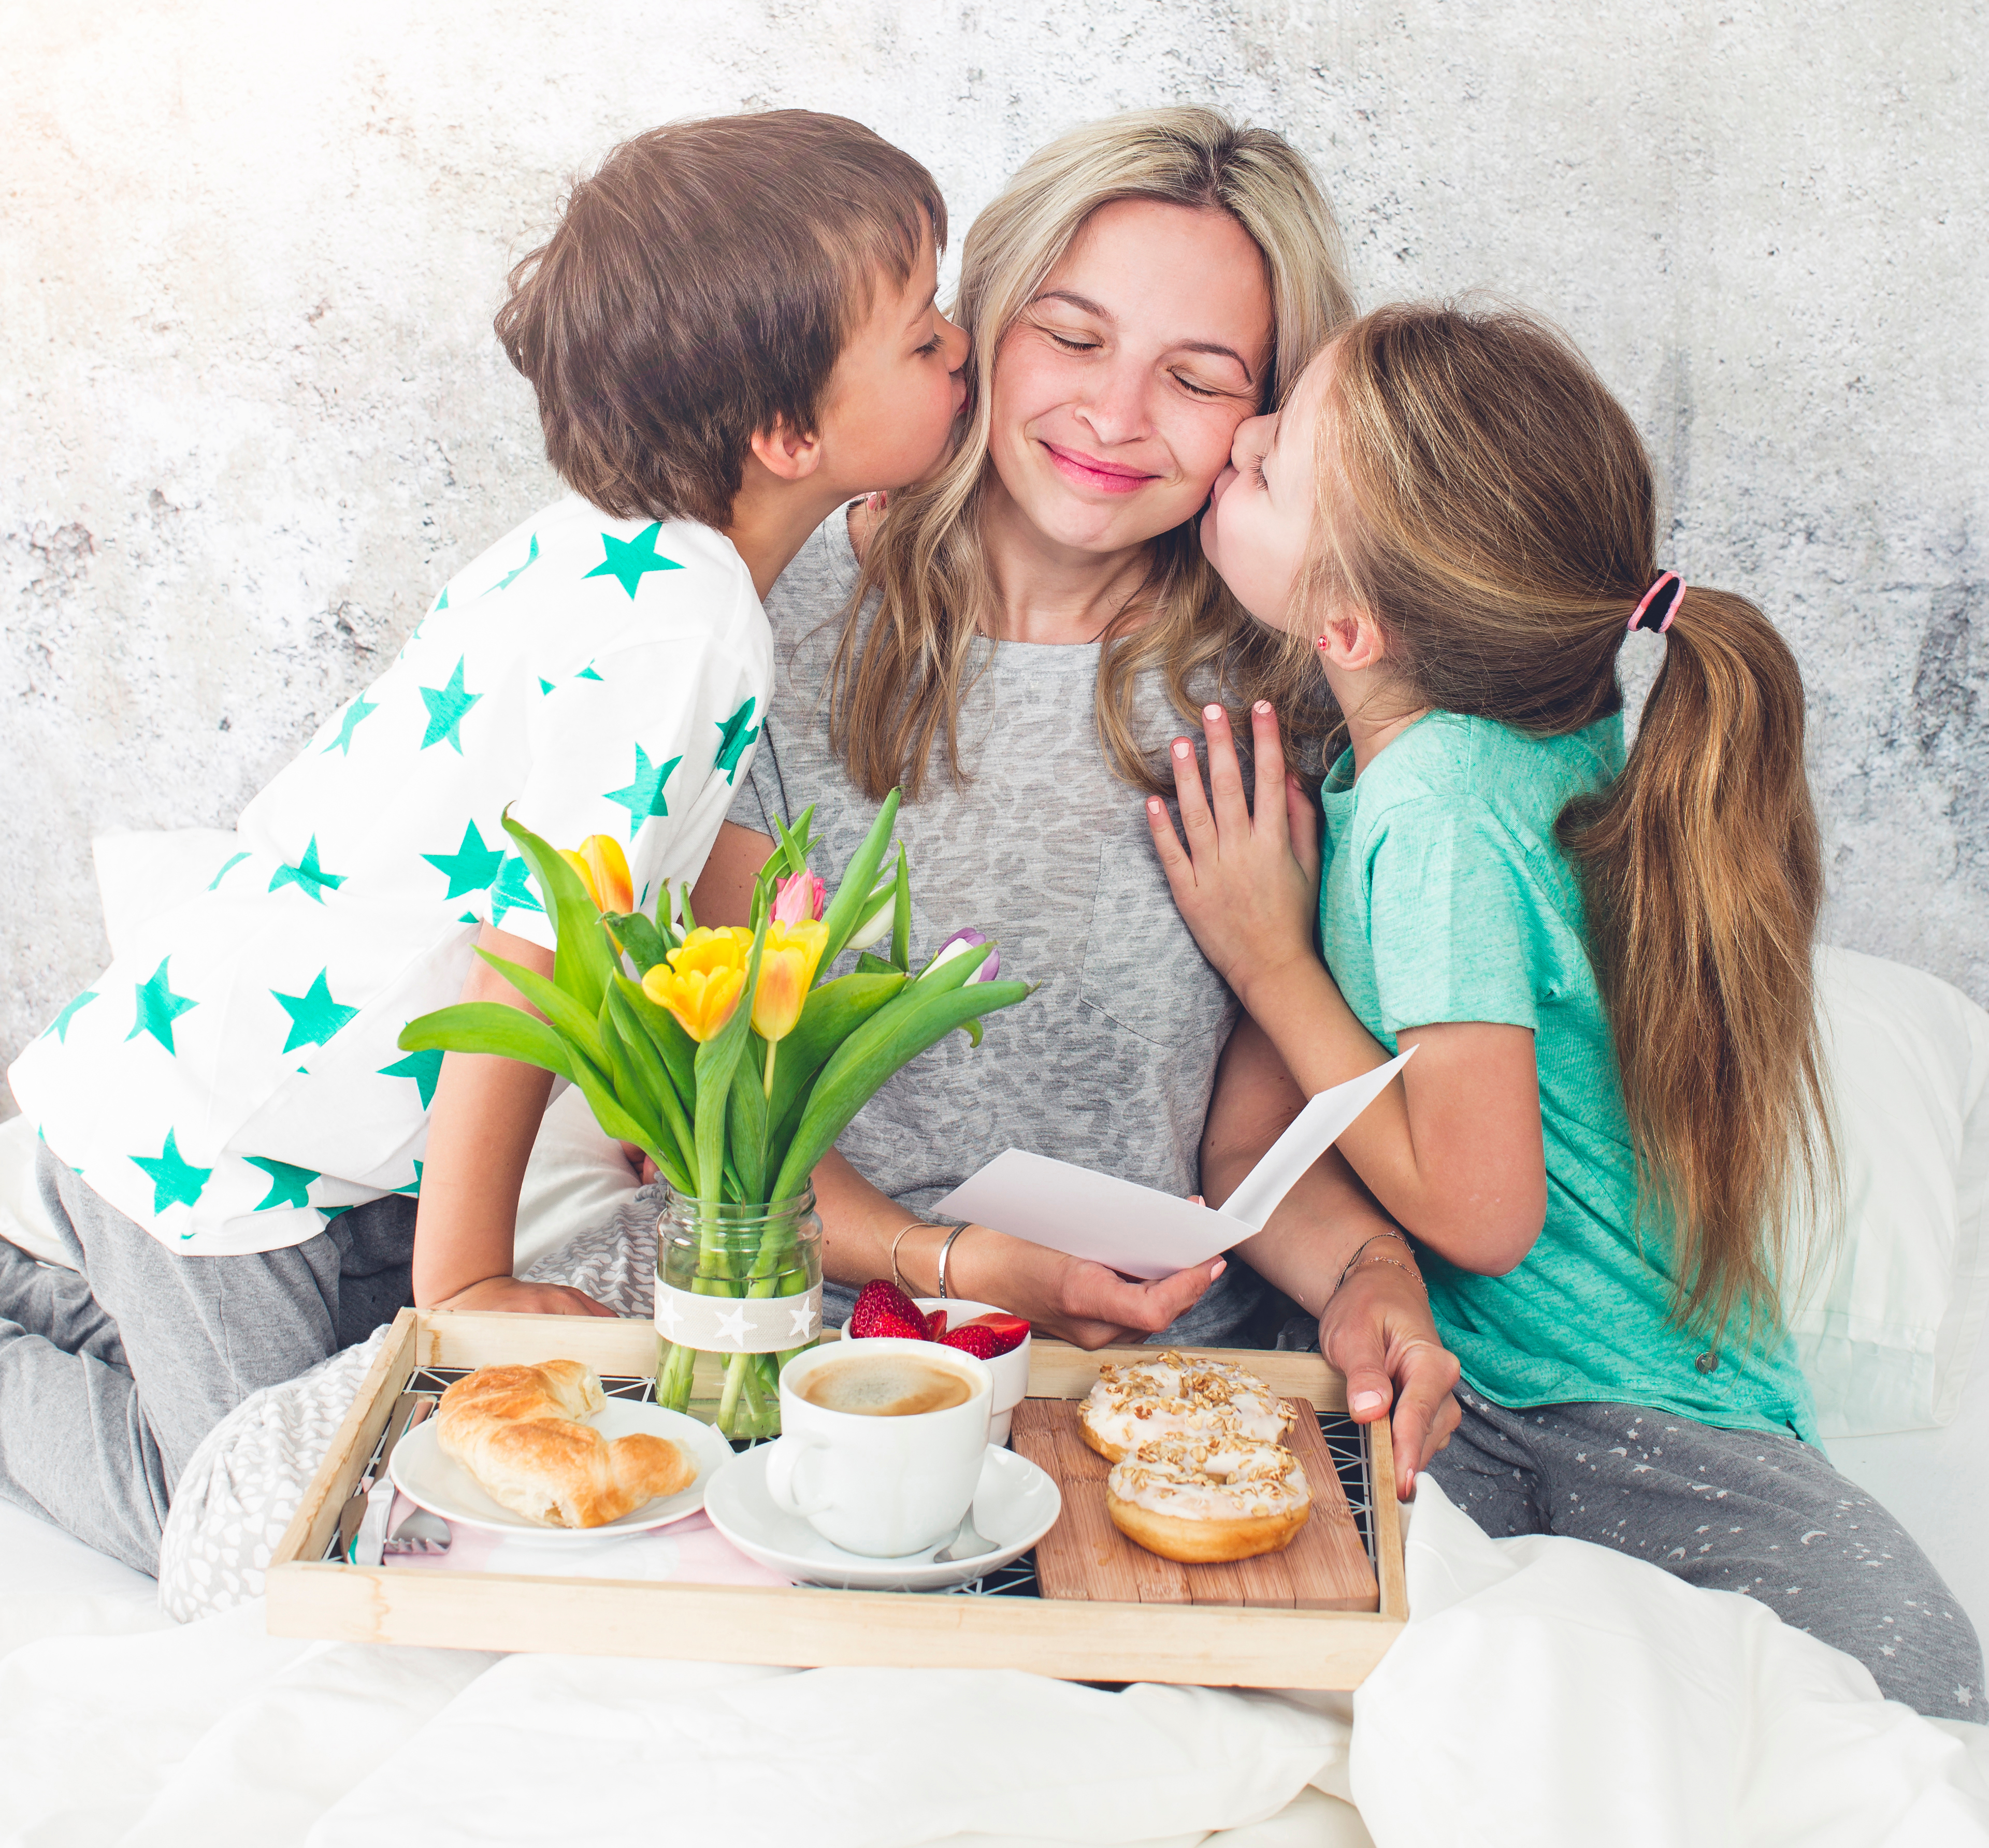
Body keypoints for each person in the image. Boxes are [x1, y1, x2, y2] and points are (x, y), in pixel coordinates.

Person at [1, 111, 970, 1572]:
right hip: (223, 1142)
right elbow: (532, 953)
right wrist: (470, 1279)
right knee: (269, 1535)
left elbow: (636, 822)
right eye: (924, 336)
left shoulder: (610, 548)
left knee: (330, 1427)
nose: (965, 348)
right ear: (789, 436)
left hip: (238, 1093)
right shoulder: (689, 623)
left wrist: (758, 932)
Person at [1143, 298, 1983, 1716]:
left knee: (1916, 1713)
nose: (1246, 432)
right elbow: (1297, 1150)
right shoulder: (1512, 746)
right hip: (1491, 1405)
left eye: (1276, 458)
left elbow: (1483, 1214)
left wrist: (1268, 957)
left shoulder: (1444, 809)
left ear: (1349, 624)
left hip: (1640, 1430)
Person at [696, 108, 1461, 1497]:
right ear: (976, 329)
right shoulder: (775, 633)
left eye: (1199, 375)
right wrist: (949, 1267)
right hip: (803, 1365)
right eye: (1074, 334)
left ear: (1267, 416)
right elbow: (719, 1122)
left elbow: (1238, 1143)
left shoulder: (1277, 700)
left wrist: (1369, 1280)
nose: (1115, 418)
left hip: (1148, 1400)